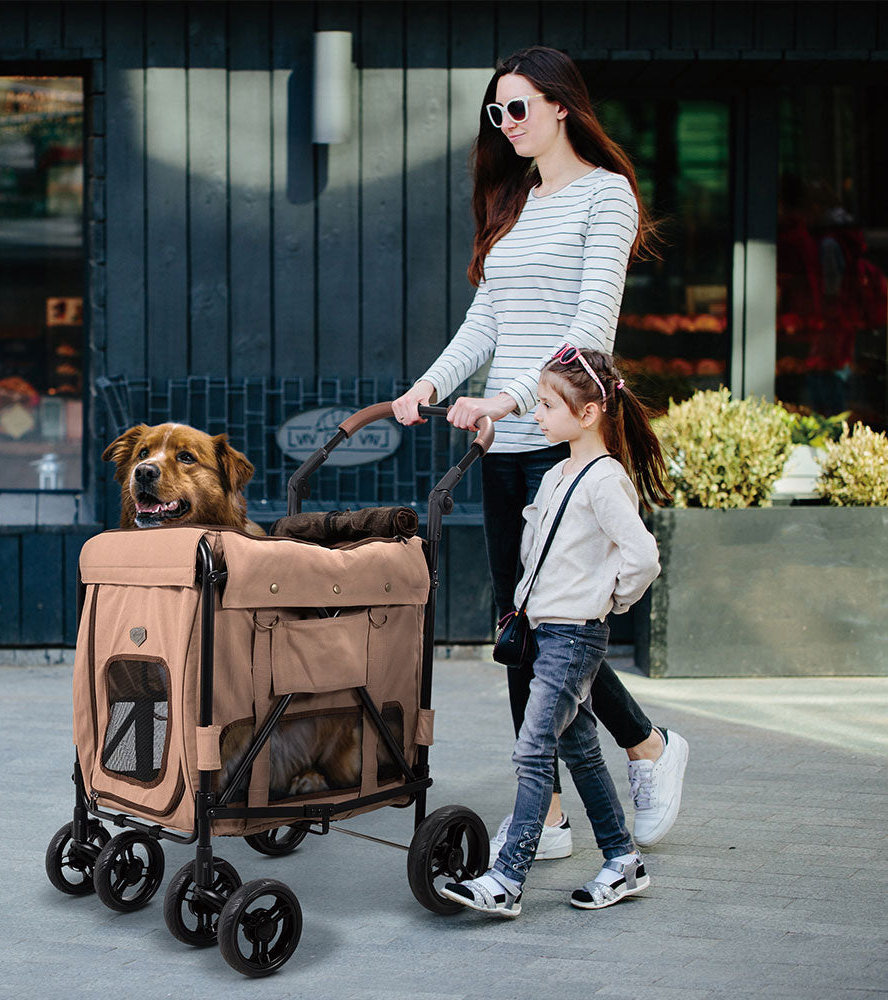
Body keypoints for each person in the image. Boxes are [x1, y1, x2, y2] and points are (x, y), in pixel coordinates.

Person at [390, 46, 687, 859]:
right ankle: (555, 807)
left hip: (568, 442)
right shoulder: (515, 199)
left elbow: (590, 328)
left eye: (518, 107)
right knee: (522, 623)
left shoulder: (606, 196)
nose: (506, 124)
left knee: (555, 625)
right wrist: (430, 384)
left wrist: (510, 397)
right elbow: (486, 322)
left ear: (562, 107)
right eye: (497, 112)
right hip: (504, 439)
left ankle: (643, 752)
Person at [440, 345, 668, 916]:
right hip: (545, 631)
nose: (536, 415)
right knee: (581, 750)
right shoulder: (558, 475)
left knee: (533, 746)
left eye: (546, 405)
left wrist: (606, 600)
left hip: (574, 636)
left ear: (588, 413)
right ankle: (623, 860)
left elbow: (642, 555)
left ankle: (507, 878)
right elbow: (537, 551)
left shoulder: (604, 479)